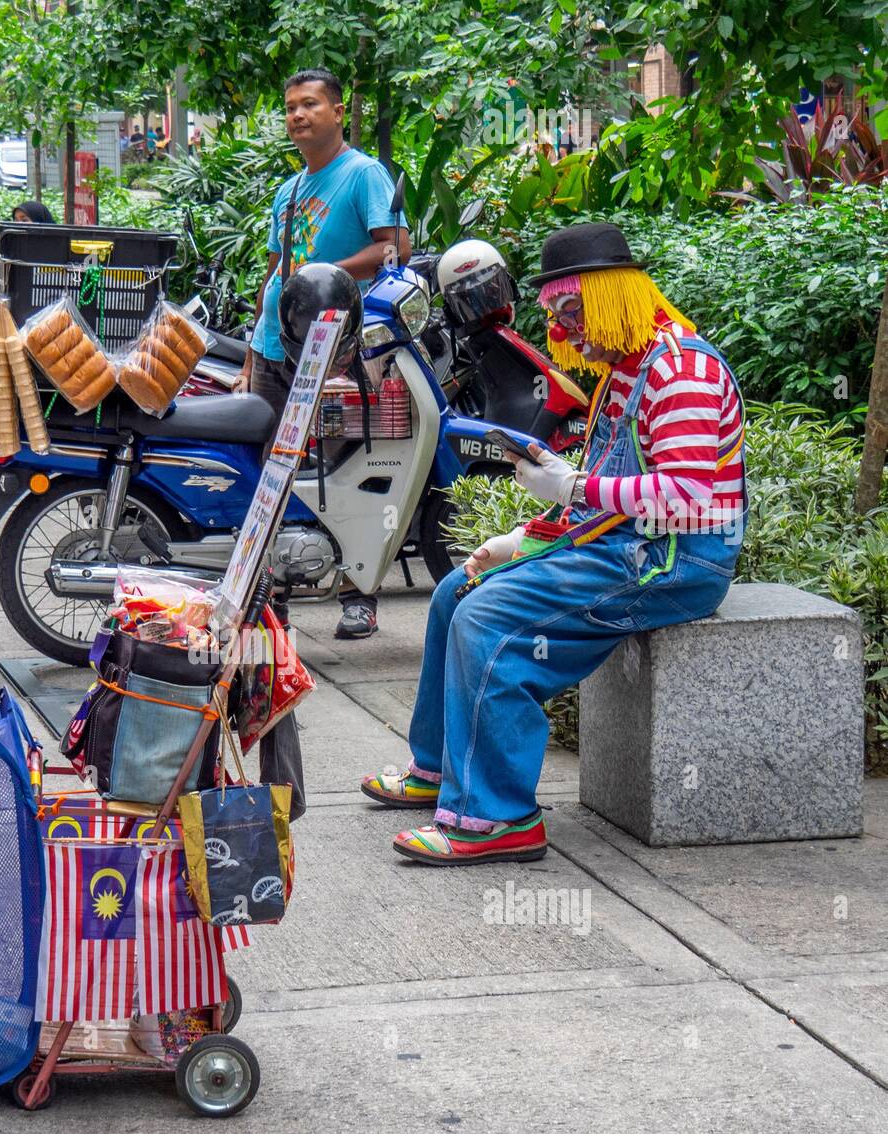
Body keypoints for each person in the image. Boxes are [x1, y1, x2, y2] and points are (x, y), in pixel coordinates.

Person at [361, 222, 747, 864]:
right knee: (458, 591)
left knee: (488, 619)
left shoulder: (681, 373)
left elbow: (688, 500)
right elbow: (609, 492)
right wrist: (522, 540)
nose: (567, 332)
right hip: (625, 544)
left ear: (611, 298)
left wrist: (570, 489)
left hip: (674, 563)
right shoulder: (626, 373)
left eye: (574, 312)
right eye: (559, 315)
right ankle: (436, 769)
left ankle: (496, 819)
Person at [234, 68, 411, 641]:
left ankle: (361, 591)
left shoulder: (362, 175)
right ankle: (270, 595)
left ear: (338, 111)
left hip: (333, 351)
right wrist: (249, 354)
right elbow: (275, 274)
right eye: (290, 107)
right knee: (269, 472)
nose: (297, 115)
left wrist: (327, 275)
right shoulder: (288, 192)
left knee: (345, 468)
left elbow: (394, 248)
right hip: (273, 348)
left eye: (309, 104)